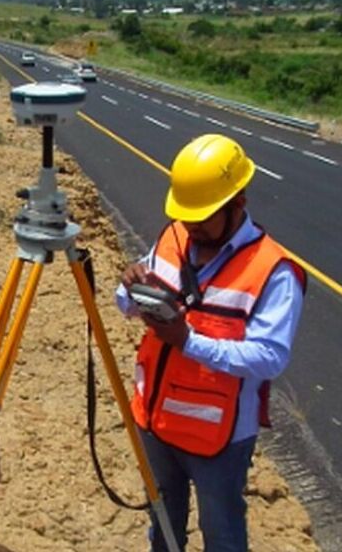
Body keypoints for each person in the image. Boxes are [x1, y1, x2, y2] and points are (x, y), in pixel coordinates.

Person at [116, 134, 306, 552]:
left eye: (202, 218)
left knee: (221, 535)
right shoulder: (176, 236)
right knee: (163, 528)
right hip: (155, 420)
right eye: (187, 217)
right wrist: (131, 290)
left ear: (237, 201)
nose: (192, 227)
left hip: (217, 440)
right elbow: (126, 305)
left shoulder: (273, 271)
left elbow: (269, 357)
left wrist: (188, 341)